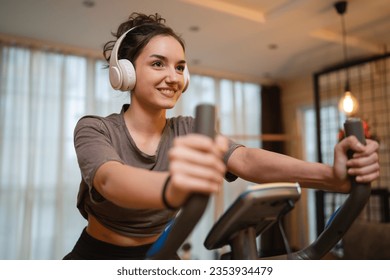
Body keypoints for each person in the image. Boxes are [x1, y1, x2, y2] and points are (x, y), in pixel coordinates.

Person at [63, 12, 379, 260]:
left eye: (180, 67)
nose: (173, 77)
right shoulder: (95, 128)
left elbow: (246, 159)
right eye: (158, 64)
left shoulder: (189, 129)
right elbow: (109, 180)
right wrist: (172, 189)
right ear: (126, 73)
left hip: (162, 255)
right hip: (96, 256)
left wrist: (333, 177)